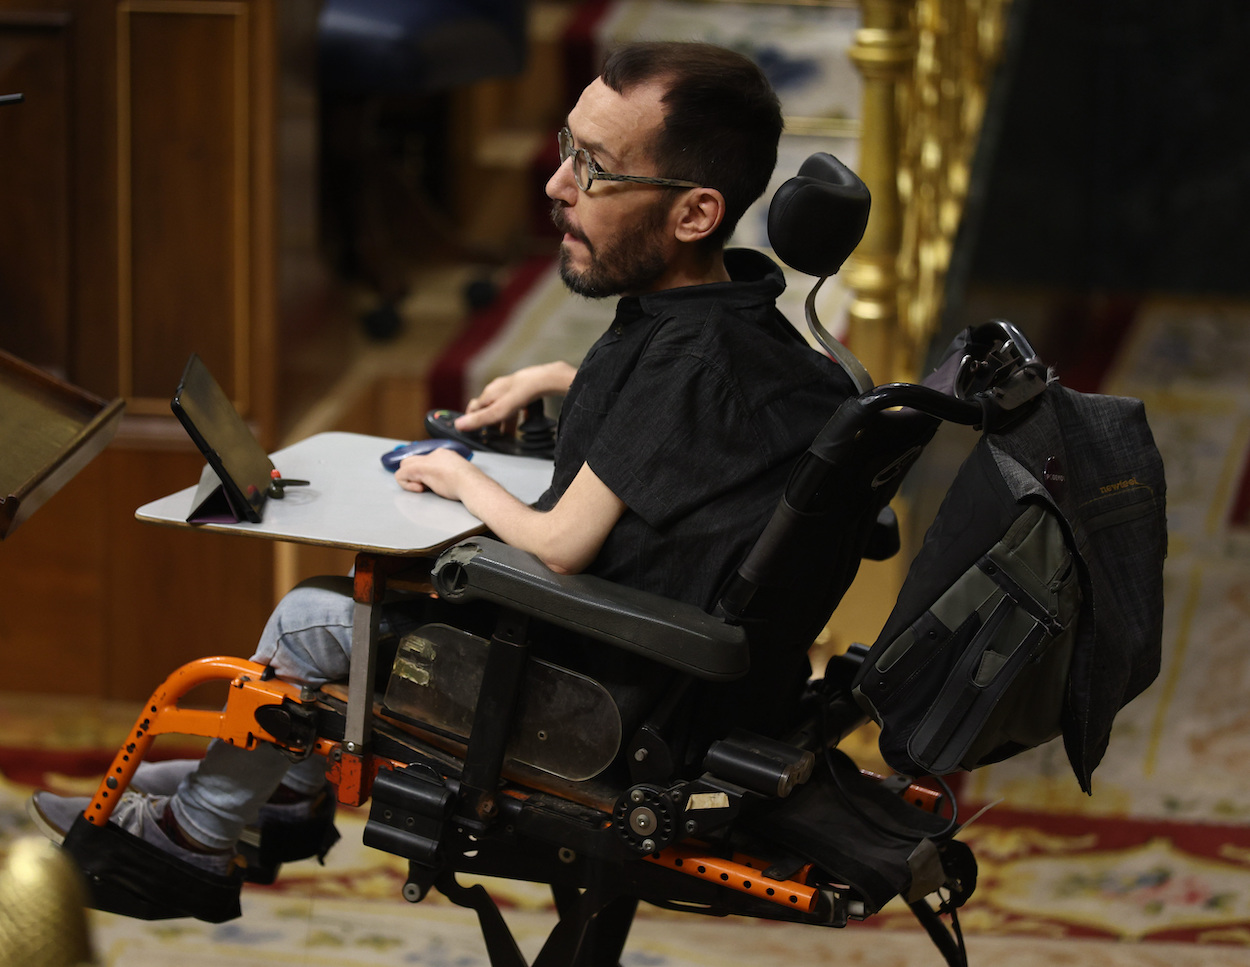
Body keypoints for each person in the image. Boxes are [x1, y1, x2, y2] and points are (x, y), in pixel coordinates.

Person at [29, 40, 858, 910]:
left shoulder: (688, 360)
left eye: (596, 168)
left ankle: (203, 831)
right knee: (345, 609)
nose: (557, 184)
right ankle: (267, 789)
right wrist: (560, 379)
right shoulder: (754, 330)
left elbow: (563, 543)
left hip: (599, 704)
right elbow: (718, 421)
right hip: (670, 688)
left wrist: (461, 479)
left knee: (311, 618)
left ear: (695, 215)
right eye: (568, 147)